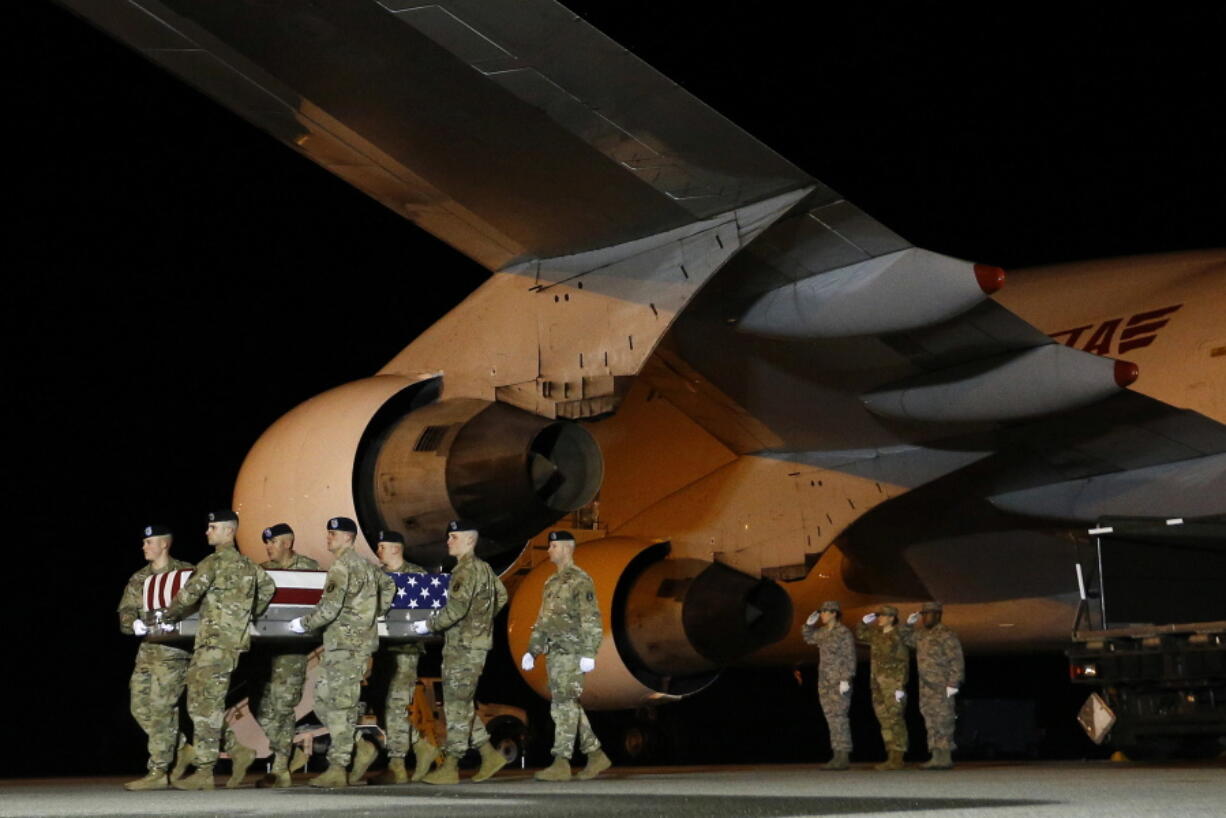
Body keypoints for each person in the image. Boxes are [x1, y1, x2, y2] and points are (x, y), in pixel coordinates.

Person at [162, 510, 276, 791]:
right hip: (232, 644)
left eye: (212, 527)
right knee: (205, 703)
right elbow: (269, 588)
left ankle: (205, 770)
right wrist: (248, 614)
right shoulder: (250, 566)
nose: (207, 532)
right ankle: (234, 754)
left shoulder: (212, 563)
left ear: (228, 531)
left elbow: (187, 596)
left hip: (213, 644)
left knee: (204, 706)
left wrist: (167, 616)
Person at [288, 517, 391, 788]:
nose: (329, 538)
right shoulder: (369, 568)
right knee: (323, 701)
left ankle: (338, 766)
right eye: (329, 533)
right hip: (347, 647)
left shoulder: (342, 566)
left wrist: (304, 623)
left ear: (348, 538)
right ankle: (359, 746)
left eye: (334, 534)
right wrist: (371, 613)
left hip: (347, 647)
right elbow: (390, 587)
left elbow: (330, 609)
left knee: (340, 706)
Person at [412, 520, 509, 785]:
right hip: (473, 644)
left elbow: (455, 611)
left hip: (463, 647)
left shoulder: (464, 572)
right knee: (462, 703)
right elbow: (501, 596)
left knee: (455, 705)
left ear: (469, 540)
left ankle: (452, 765)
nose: (448, 542)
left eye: (453, 537)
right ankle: (489, 755)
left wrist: (427, 625)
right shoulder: (485, 569)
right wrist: (482, 622)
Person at [228, 523, 321, 789]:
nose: (267, 547)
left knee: (282, 706)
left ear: (287, 543)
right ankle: (286, 750)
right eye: (266, 543)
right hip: (264, 652)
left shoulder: (309, 568)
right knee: (258, 704)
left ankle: (281, 768)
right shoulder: (262, 570)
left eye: (272, 542)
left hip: (292, 651)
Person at [521, 531, 611, 781]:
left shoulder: (580, 580)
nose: (548, 550)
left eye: (553, 546)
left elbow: (591, 618)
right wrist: (532, 650)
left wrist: (589, 652)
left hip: (572, 652)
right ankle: (595, 754)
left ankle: (561, 761)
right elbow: (543, 621)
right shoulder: (550, 583)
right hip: (555, 654)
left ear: (566, 548)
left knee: (563, 705)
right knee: (567, 704)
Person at [118, 524, 194, 791]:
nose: (144, 547)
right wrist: (132, 623)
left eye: (149, 542)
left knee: (163, 710)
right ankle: (183, 747)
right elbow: (126, 610)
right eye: (144, 542)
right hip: (147, 651)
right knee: (139, 707)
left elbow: (198, 607)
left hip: (173, 653)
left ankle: (159, 770)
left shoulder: (185, 574)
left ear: (164, 544)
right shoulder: (139, 578)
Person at [370, 530, 439, 785]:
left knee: (395, 705)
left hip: (406, 652)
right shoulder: (377, 576)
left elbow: (428, 612)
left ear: (396, 549)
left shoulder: (417, 577)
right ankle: (420, 747)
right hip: (382, 651)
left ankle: (397, 764)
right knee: (380, 705)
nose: (378, 551)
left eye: (382, 546)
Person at [904, 601, 964, 770]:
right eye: (923, 615)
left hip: (942, 685)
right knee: (930, 720)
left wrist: (954, 682)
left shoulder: (946, 634)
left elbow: (956, 660)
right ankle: (935, 756)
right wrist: (909, 624)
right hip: (926, 686)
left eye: (928, 614)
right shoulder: (921, 634)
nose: (925, 618)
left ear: (938, 615)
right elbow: (906, 639)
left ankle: (945, 757)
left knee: (944, 719)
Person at [854, 604, 911, 770]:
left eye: (882, 616)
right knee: (884, 720)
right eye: (879, 616)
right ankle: (890, 755)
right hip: (877, 683)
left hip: (893, 684)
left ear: (891, 618)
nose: (879, 618)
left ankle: (898, 757)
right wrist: (863, 622)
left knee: (895, 719)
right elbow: (860, 634)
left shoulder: (898, 636)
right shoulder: (876, 634)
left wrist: (900, 686)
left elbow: (903, 662)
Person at [801, 599, 855, 770]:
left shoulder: (843, 633)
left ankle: (843, 756)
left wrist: (846, 678)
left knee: (839, 717)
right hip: (825, 682)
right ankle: (836, 754)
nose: (822, 615)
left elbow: (849, 656)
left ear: (834, 613)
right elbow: (809, 638)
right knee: (831, 718)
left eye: (824, 612)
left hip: (839, 681)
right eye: (821, 612)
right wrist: (808, 625)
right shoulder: (823, 632)